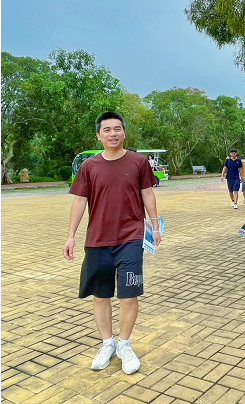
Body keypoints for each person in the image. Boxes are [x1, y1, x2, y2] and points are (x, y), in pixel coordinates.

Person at [63, 112, 161, 375]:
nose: (113, 134)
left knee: (129, 295)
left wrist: (154, 225)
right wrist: (71, 235)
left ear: (124, 132)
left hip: (131, 238)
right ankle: (107, 343)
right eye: (106, 130)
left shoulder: (139, 162)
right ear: (99, 135)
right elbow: (79, 201)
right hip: (98, 240)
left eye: (117, 129)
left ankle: (124, 345)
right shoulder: (89, 166)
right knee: (101, 295)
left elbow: (147, 193)